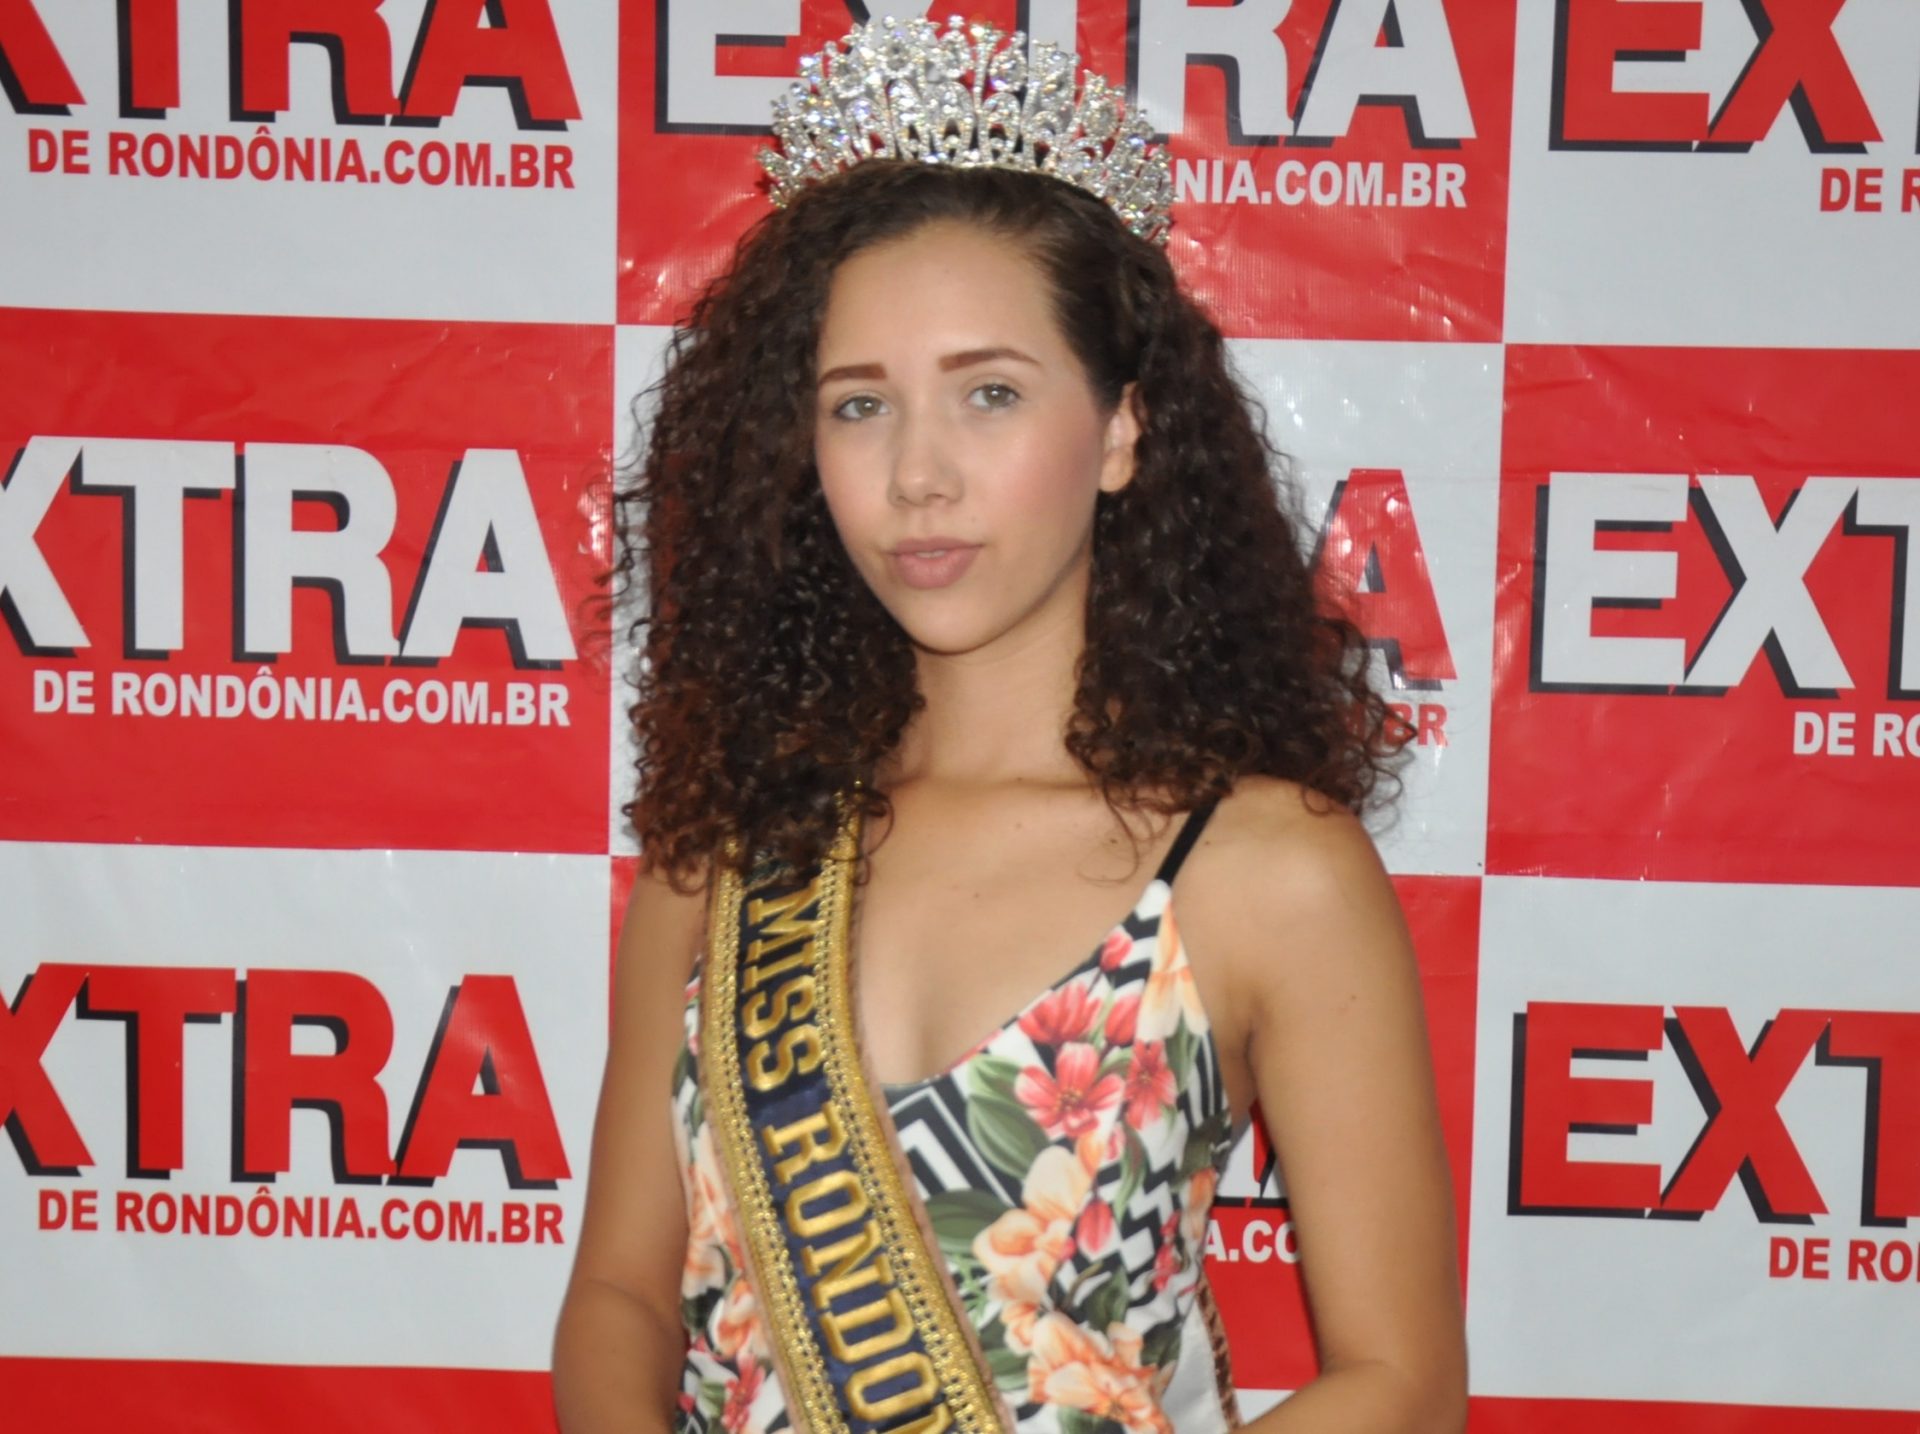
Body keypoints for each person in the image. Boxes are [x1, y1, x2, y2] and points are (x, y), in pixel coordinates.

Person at [553, 17, 1464, 1434]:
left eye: (989, 393)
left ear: (1121, 429)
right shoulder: (733, 838)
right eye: (861, 405)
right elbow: (620, 1294)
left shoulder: (1265, 867)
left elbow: (1401, 1383)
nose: (918, 472)